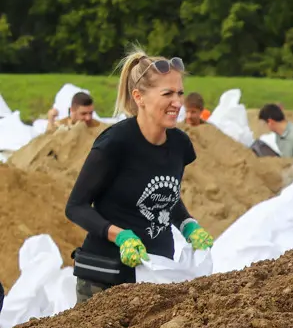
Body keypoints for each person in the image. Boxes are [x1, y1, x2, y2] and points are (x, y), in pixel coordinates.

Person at [64, 51, 214, 304]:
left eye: (179, 93)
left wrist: (187, 224)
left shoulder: (180, 145)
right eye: (167, 94)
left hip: (155, 277)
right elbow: (75, 207)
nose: (178, 102)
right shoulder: (114, 144)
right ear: (139, 97)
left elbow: (166, 195)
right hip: (104, 279)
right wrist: (119, 235)